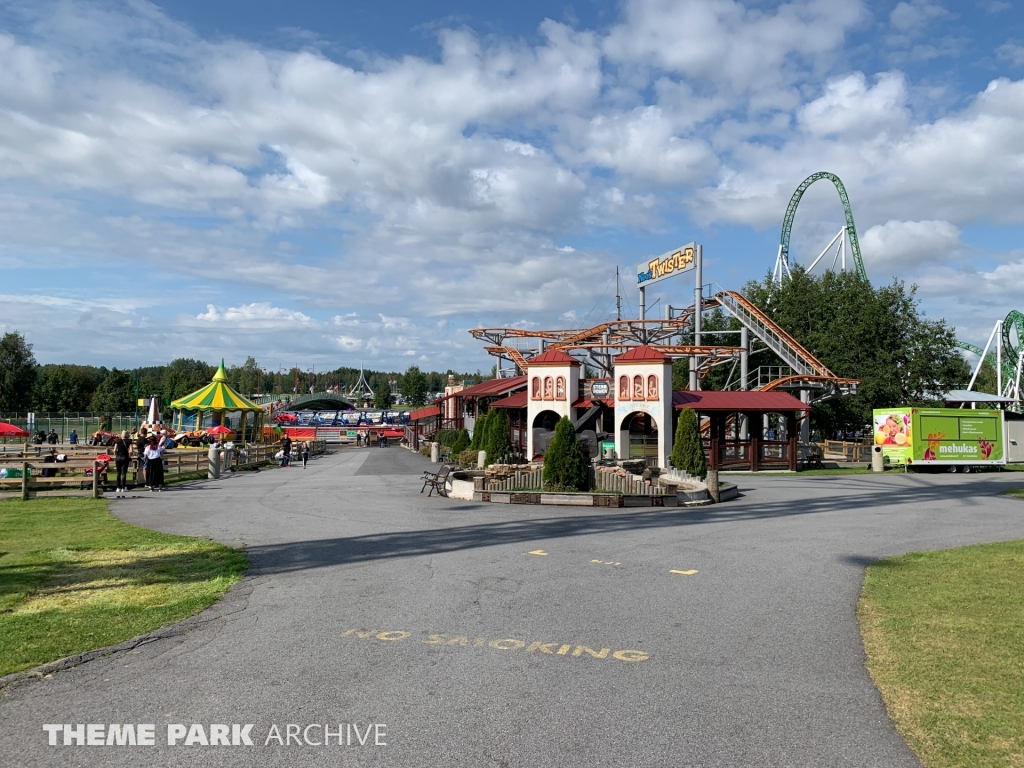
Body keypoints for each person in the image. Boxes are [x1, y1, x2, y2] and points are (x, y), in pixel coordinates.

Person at [111, 430, 131, 496]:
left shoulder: (118, 440)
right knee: (124, 472)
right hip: (125, 457)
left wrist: (116, 453)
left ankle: (118, 487)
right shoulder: (129, 441)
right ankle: (123, 487)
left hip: (118, 457)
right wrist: (129, 454)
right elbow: (131, 450)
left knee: (118, 472)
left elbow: (114, 450)